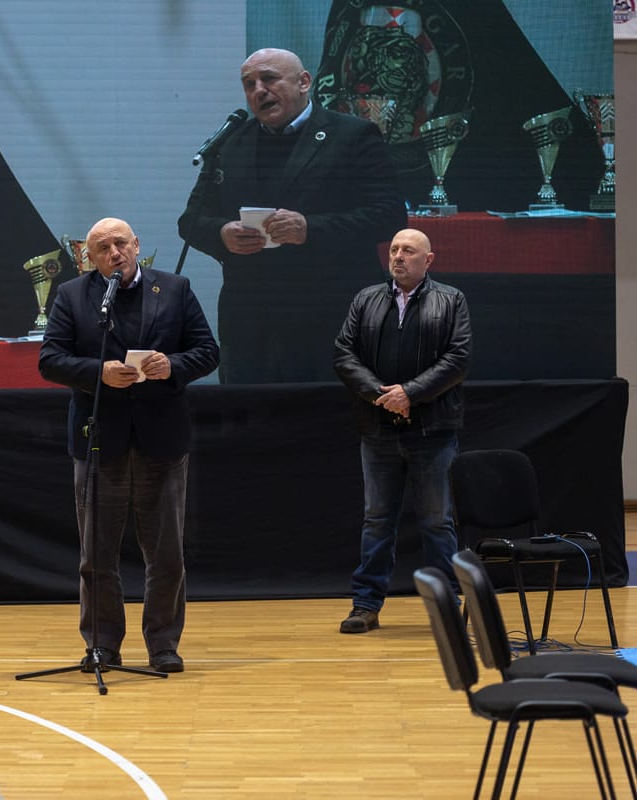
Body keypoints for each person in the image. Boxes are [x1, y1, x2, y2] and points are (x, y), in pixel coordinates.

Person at [39, 217, 219, 672]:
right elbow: (50, 360)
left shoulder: (175, 289)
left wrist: (172, 366)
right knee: (97, 555)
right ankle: (102, 645)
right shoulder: (72, 295)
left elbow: (207, 351)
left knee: (166, 553)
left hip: (162, 439)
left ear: (137, 245)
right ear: (90, 257)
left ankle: (163, 644)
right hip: (101, 439)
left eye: (121, 243)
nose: (114, 253)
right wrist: (97, 373)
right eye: (102, 248)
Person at [177, 47, 407, 383]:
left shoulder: (353, 136)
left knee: (325, 414)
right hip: (249, 325)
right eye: (249, 84)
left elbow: (389, 216)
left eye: (269, 79)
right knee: (249, 415)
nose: (259, 90)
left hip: (330, 317)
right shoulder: (231, 143)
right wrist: (222, 234)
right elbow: (191, 221)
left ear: (304, 82)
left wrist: (310, 229)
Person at [332, 228, 472, 634]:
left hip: (433, 431)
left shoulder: (451, 300)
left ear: (428, 260)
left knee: (438, 523)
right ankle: (366, 605)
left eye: (408, 251)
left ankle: (446, 609)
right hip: (378, 429)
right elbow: (344, 353)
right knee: (377, 521)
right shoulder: (366, 299)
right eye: (394, 249)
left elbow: (458, 359)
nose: (398, 256)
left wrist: (410, 393)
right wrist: (381, 395)